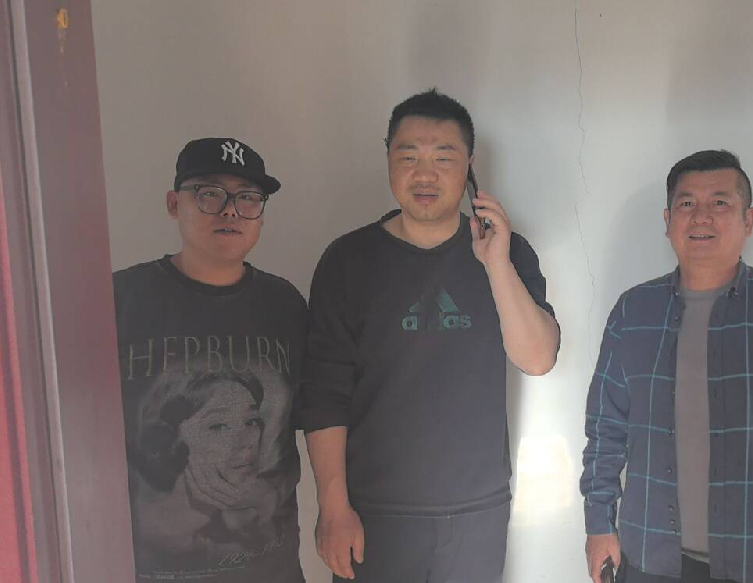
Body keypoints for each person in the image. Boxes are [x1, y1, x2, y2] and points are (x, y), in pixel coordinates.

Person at [301, 88, 560, 583]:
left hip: (477, 509)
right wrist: (333, 508)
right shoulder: (349, 260)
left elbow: (538, 358)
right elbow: (324, 394)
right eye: (409, 157)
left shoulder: (507, 252)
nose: (425, 174)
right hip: (376, 511)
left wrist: (496, 263)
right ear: (388, 160)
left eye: (443, 158)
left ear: (469, 166)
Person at [580, 150, 753, 583]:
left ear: (748, 220)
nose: (701, 216)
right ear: (668, 220)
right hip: (648, 559)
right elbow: (605, 429)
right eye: (687, 203)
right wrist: (598, 523)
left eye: (720, 202)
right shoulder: (633, 312)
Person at [114, 137, 307, 582]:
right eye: (209, 194)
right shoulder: (120, 300)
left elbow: (315, 418)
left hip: (270, 571)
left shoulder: (284, 305)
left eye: (248, 197)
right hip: (146, 571)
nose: (230, 211)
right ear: (173, 204)